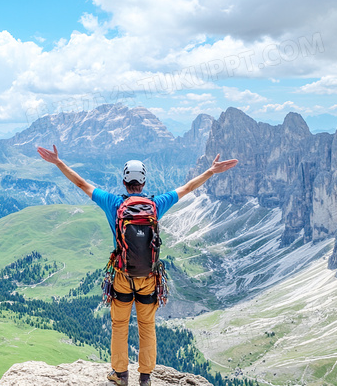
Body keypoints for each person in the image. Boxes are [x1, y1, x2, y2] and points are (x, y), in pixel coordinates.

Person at [36, 145, 237, 386]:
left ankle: (120, 375)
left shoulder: (112, 203)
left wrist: (59, 163)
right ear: (143, 182)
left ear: (123, 181)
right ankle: (145, 378)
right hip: (149, 278)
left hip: (121, 275)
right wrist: (211, 171)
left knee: (120, 325)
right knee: (147, 325)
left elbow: (82, 184)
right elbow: (187, 188)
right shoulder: (156, 204)